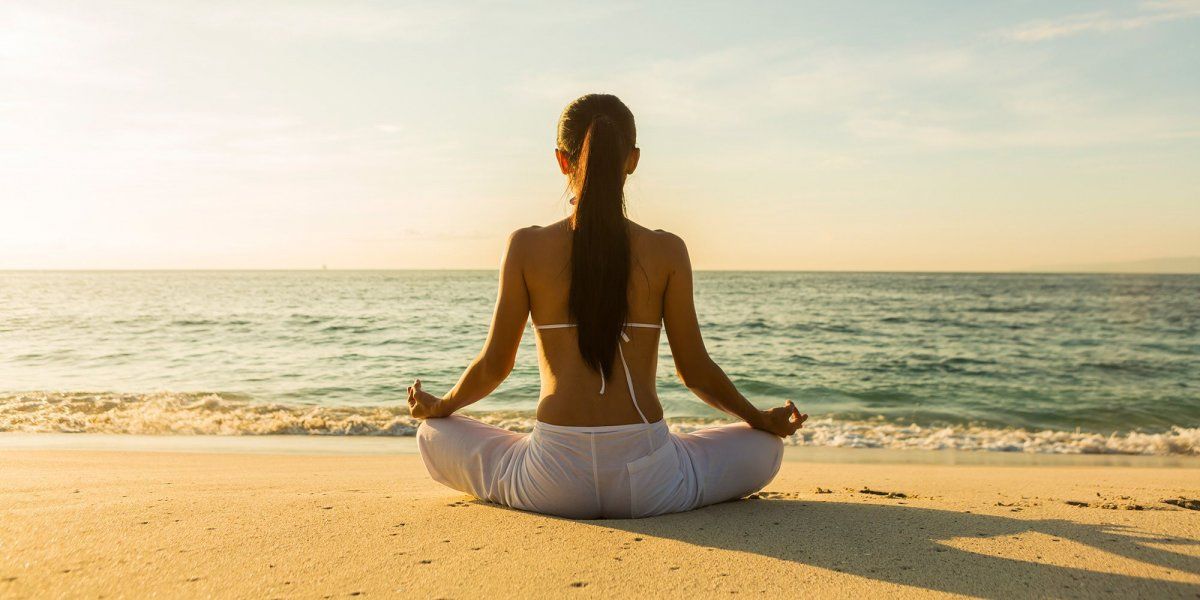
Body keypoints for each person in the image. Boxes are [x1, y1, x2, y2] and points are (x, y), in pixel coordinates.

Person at [409, 93, 807, 519]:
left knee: (432, 434)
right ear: (632, 159)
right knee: (764, 447)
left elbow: (494, 366)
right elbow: (695, 372)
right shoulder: (667, 250)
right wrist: (758, 419)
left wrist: (440, 407)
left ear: (562, 160)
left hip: (550, 481)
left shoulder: (525, 247)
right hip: (653, 483)